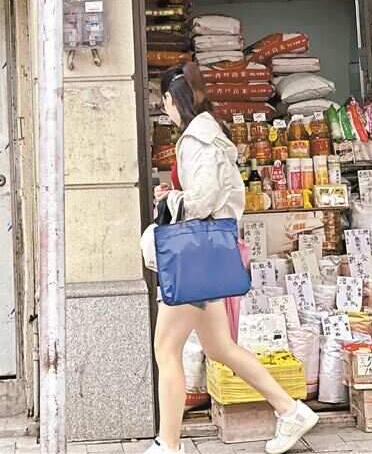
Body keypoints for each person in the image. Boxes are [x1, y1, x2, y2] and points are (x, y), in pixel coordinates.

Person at [144, 63, 319, 454]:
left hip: (195, 255)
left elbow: (203, 201)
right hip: (209, 253)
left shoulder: (196, 139)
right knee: (220, 347)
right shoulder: (211, 133)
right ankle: (290, 409)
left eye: (164, 102)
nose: (164, 109)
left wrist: (170, 199)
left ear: (172, 100)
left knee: (165, 349)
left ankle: (168, 444)